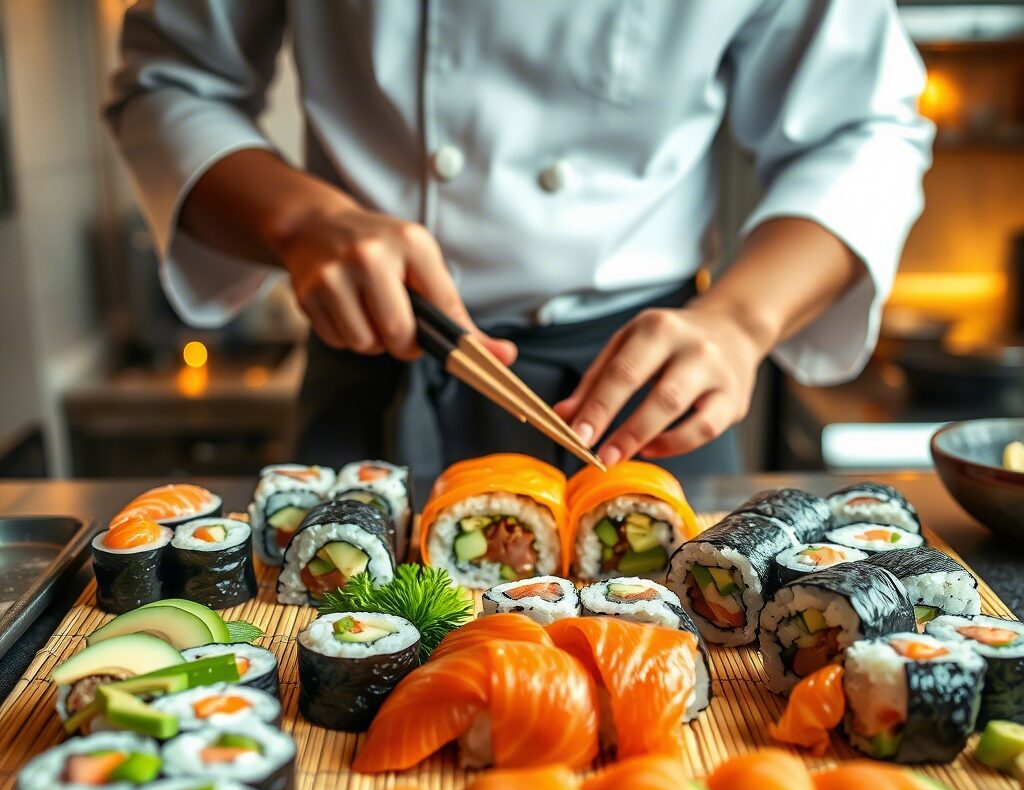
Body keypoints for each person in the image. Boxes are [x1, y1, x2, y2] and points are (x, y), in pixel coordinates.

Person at [105, 0, 932, 478]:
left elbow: (862, 129)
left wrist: (742, 322)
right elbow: (166, 82)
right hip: (376, 373)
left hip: (646, 402)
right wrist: (300, 220)